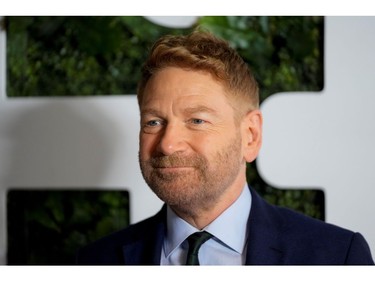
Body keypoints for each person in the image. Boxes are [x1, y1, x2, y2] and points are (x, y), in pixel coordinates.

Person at [76, 30, 374, 265]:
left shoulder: (336, 257)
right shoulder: (94, 263)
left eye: (196, 120)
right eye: (153, 122)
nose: (167, 144)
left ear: (250, 136)